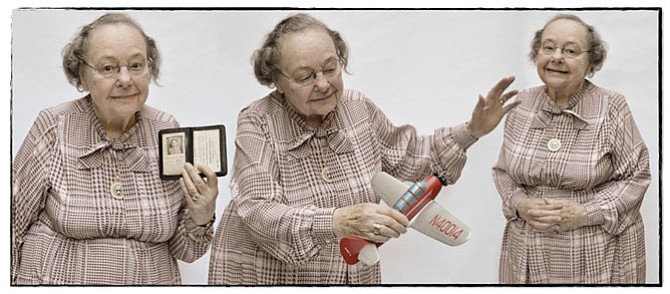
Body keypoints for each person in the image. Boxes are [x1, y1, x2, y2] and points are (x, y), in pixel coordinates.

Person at [208, 13, 519, 285]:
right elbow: (259, 210)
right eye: (305, 76)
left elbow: (411, 156)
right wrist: (336, 221)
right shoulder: (257, 121)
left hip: (350, 273)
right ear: (277, 80)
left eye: (331, 68)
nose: (323, 84)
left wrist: (472, 131)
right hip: (267, 276)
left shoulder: (357, 107)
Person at [11, 13, 219, 285]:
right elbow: (10, 223)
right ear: (82, 77)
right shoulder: (55, 125)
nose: (125, 79)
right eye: (108, 68)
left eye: (136, 65)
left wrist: (202, 214)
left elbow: (187, 251)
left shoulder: (166, 130)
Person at [492, 14, 651, 284]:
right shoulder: (521, 103)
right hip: (530, 250)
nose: (556, 57)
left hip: (597, 251)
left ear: (591, 61)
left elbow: (637, 177)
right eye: (548, 47)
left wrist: (585, 213)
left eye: (570, 51)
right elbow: (503, 172)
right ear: (536, 54)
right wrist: (521, 204)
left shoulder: (611, 105)